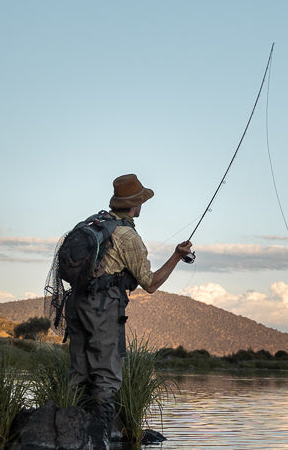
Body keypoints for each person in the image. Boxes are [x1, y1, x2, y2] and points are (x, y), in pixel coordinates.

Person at [66, 173, 193, 422]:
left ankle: (71, 425)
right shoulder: (128, 236)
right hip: (103, 307)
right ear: (137, 205)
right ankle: (100, 437)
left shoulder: (94, 223)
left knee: (79, 371)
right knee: (107, 372)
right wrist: (177, 256)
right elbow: (150, 283)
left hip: (76, 302)